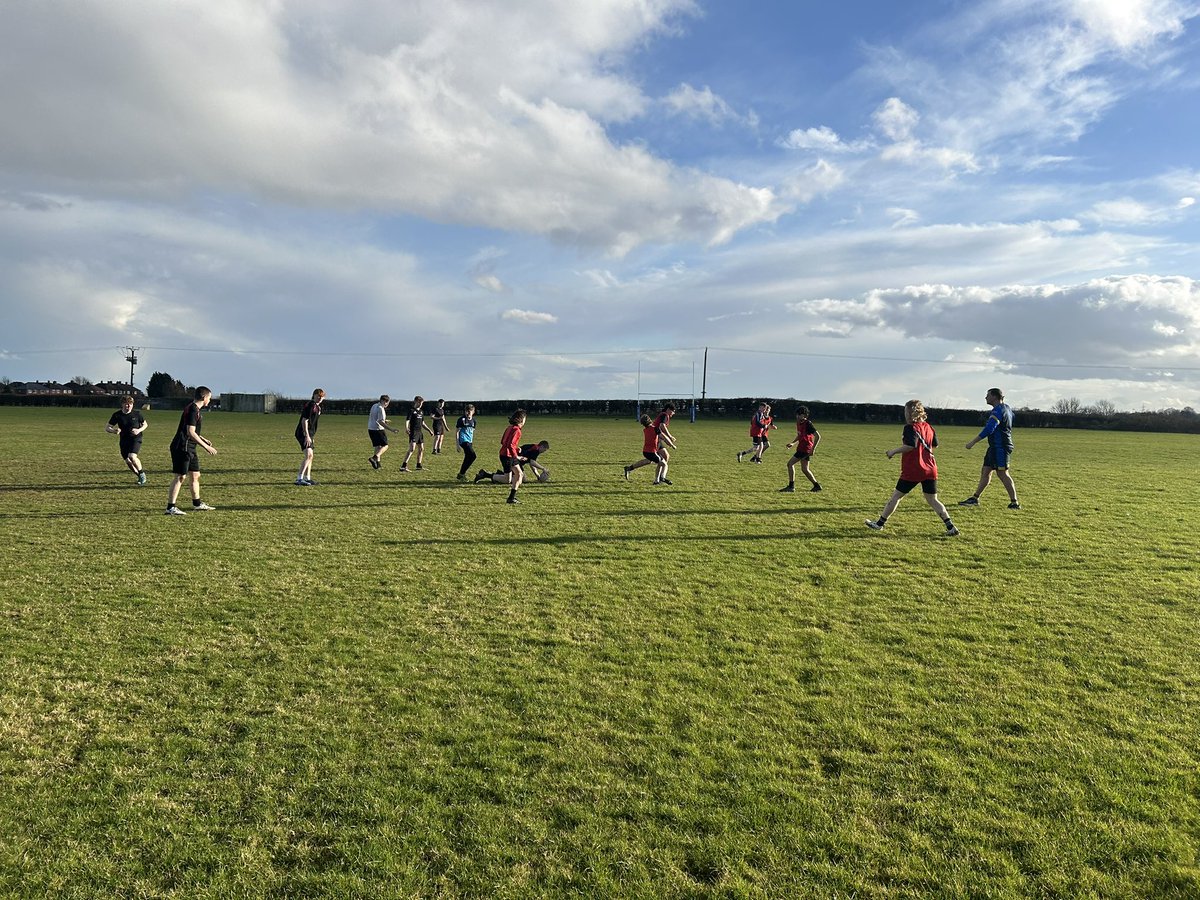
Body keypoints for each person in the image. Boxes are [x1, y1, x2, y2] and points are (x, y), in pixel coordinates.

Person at [864, 399, 959, 536]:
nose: (905, 414)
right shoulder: (928, 427)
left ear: (910, 413)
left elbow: (910, 445)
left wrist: (893, 451)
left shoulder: (910, 427)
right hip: (930, 468)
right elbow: (935, 445)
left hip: (914, 469)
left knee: (896, 496)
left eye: (906, 411)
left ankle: (879, 524)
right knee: (933, 500)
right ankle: (950, 527)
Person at [960, 387, 1020, 509]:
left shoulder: (998, 411)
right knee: (986, 471)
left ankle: (1014, 502)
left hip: (1001, 447)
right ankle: (975, 498)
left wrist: (973, 442)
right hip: (994, 447)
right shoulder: (1007, 408)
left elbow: (989, 429)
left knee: (1002, 473)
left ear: (994, 396)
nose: (986, 397)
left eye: (988, 395)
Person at [166, 386, 218, 516]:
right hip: (182, 447)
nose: (210, 401)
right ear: (204, 397)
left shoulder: (194, 409)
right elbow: (190, 432)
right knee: (180, 476)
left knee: (195, 475)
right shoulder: (193, 410)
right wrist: (206, 447)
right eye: (209, 398)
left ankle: (197, 504)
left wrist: (203, 439)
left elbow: (191, 430)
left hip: (190, 447)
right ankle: (170, 507)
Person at [474, 409, 527, 503]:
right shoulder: (517, 430)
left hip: (504, 454)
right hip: (508, 455)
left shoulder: (509, 427)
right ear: (521, 420)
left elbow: (503, 442)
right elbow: (510, 444)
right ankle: (511, 498)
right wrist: (516, 456)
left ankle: (485, 474)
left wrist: (516, 448)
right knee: (517, 475)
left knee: (511, 478)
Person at [106, 395, 148, 485]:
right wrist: (114, 431)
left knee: (132, 457)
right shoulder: (117, 415)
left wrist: (138, 430)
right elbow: (107, 427)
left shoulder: (137, 414)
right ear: (122, 404)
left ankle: (142, 473)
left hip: (136, 438)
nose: (129, 406)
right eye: (127, 404)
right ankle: (139, 476)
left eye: (131, 404)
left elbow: (145, 425)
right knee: (128, 461)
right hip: (124, 440)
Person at [623, 413, 677, 485]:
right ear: (650, 420)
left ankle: (629, 468)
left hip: (646, 451)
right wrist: (672, 445)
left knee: (649, 461)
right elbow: (664, 437)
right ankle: (662, 477)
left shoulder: (645, 430)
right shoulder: (655, 429)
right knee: (664, 464)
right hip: (652, 452)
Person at [780, 406, 821, 492]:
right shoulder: (798, 423)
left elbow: (818, 436)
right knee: (805, 469)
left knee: (790, 464)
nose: (798, 416)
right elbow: (800, 435)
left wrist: (813, 449)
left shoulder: (808, 424)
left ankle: (791, 487)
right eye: (797, 415)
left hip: (805, 448)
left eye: (800, 415)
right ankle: (817, 486)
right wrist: (793, 443)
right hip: (802, 448)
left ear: (805, 416)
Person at [294, 388, 324, 485]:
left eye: (321, 397)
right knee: (308, 455)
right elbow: (304, 421)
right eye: (318, 396)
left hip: (309, 434)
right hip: (302, 432)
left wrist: (311, 436)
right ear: (314, 395)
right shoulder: (311, 405)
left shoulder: (318, 407)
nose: (320, 398)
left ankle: (307, 478)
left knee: (311, 456)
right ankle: (299, 478)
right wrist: (306, 435)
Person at [400, 395, 435, 473]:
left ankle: (418, 465)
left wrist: (429, 430)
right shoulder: (411, 411)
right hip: (413, 432)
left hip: (420, 432)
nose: (420, 404)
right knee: (412, 448)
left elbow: (422, 423)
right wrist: (406, 428)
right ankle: (403, 466)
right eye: (419, 402)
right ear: (415, 401)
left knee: (421, 449)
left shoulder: (421, 412)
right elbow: (407, 420)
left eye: (421, 403)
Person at [367, 394, 400, 468]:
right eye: (387, 402)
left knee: (377, 446)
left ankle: (377, 464)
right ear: (384, 401)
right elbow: (380, 422)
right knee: (385, 446)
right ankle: (374, 458)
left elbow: (375, 417)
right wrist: (391, 429)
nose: (387, 404)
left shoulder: (374, 405)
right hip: (378, 429)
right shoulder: (381, 408)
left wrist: (385, 420)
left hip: (370, 429)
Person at [455, 404, 478, 481]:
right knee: (473, 455)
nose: (468, 413)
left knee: (468, 457)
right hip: (463, 441)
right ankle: (461, 473)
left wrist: (471, 441)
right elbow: (457, 432)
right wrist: (457, 444)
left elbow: (471, 431)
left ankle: (461, 474)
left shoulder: (474, 421)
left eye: (469, 411)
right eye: (466, 411)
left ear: (473, 412)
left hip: (469, 441)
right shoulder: (461, 420)